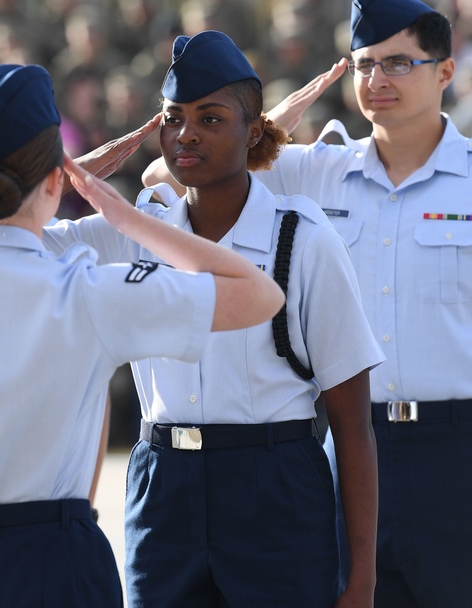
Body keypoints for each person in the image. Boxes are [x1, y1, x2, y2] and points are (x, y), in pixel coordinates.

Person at [146, 0, 472, 607]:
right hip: (348, 461)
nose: (377, 78)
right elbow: (171, 172)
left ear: (445, 72)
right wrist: (269, 123)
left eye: (397, 62)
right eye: (363, 65)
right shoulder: (315, 171)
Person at [0, 63, 285, 607]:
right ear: (58, 180)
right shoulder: (89, 291)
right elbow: (260, 293)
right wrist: (127, 218)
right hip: (54, 562)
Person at [46, 30, 383, 608]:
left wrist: (361, 580)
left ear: (253, 131)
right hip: (163, 488)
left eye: (210, 118)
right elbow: (17, 244)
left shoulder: (300, 238)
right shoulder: (133, 232)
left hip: (274, 488)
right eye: (173, 119)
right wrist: (66, 174)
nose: (186, 135)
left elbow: (352, 423)